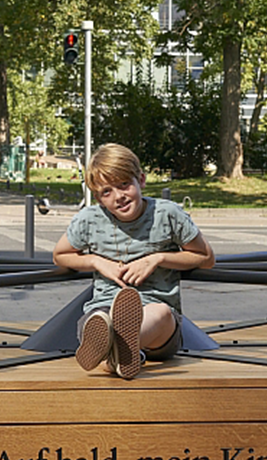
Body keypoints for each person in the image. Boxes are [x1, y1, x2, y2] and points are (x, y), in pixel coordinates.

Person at [53, 143, 215, 380]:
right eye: (107, 192)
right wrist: (97, 262)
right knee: (99, 320)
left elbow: (206, 257)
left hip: (159, 318)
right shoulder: (90, 219)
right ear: (98, 198)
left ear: (141, 179)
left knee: (160, 313)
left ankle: (116, 350)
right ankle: (120, 353)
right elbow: (60, 255)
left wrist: (157, 258)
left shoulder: (167, 214)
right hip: (104, 307)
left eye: (124, 185)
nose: (119, 197)